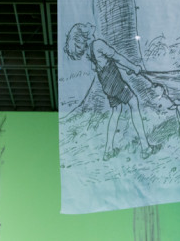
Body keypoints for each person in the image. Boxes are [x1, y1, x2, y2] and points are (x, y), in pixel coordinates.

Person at [64, 23, 161, 160]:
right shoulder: (98, 44)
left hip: (107, 86)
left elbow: (106, 63)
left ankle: (108, 150)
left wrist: (128, 68)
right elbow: (117, 57)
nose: (91, 27)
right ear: (85, 34)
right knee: (134, 103)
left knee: (116, 112)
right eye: (87, 28)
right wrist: (134, 67)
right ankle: (145, 148)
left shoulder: (89, 52)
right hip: (115, 82)